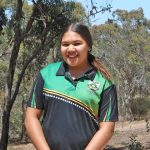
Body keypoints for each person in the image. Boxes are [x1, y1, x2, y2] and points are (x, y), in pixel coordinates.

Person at [25, 22, 118, 150]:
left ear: (89, 46)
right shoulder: (46, 74)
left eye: (77, 44)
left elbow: (107, 128)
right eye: (65, 44)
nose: (70, 49)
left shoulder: (104, 82)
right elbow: (31, 117)